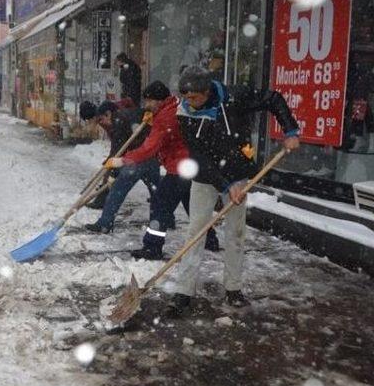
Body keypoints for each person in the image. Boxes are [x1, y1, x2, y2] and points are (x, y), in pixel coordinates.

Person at [165, 66, 300, 317]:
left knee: (236, 233)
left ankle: (234, 289)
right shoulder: (184, 113)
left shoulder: (235, 97)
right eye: (185, 97)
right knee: (196, 230)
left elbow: (273, 99)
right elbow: (198, 157)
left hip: (238, 171)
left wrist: (289, 129)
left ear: (207, 91)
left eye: (194, 98)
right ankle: (184, 290)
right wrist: (225, 185)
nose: (189, 103)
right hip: (205, 176)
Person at [103, 81, 219, 260]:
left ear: (159, 100)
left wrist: (123, 160)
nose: (146, 105)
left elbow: (149, 148)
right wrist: (153, 122)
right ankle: (210, 239)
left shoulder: (164, 118)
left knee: (160, 205)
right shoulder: (174, 107)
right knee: (193, 206)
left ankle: (152, 247)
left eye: (149, 101)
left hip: (179, 167)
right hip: (190, 166)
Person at [80, 99, 148, 211]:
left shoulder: (110, 117)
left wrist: (112, 158)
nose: (89, 123)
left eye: (89, 120)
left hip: (135, 144)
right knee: (148, 175)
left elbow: (118, 140)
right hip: (129, 143)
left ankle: (101, 202)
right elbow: (116, 140)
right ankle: (160, 196)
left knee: (115, 172)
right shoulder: (107, 115)